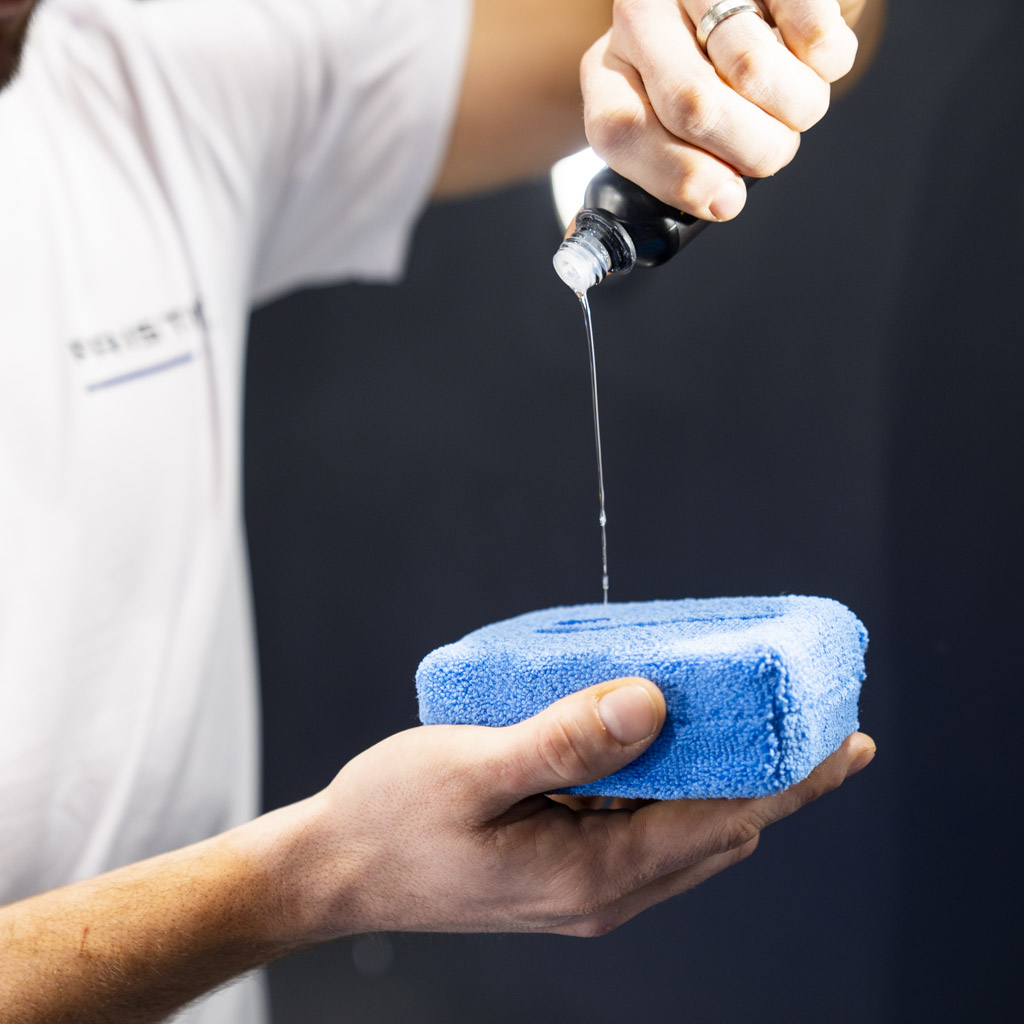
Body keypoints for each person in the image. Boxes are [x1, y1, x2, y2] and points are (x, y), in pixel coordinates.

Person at [0, 1, 883, 1021]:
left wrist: (739, 26)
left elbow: (763, 45)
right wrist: (310, 877)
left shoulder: (131, 65)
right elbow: (316, 873)